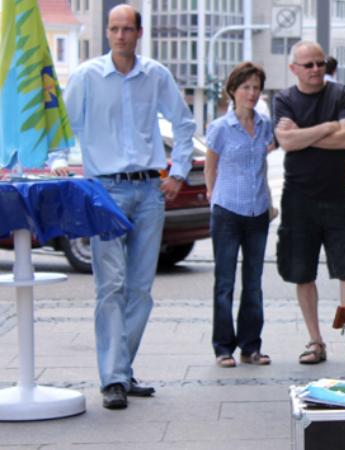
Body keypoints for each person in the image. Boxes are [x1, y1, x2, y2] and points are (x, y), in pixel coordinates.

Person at [53, 5, 196, 409]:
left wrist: (179, 172)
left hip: (150, 191)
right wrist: (59, 161)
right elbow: (64, 126)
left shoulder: (155, 75)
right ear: (107, 32)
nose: (119, 36)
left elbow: (184, 124)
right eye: (113, 29)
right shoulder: (86, 76)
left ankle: (120, 370)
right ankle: (114, 378)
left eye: (126, 29)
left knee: (140, 290)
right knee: (110, 287)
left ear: (139, 32)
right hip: (106, 192)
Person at [273, 41, 345, 366]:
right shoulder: (283, 99)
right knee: (302, 272)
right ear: (294, 68)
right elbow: (286, 141)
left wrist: (306, 135)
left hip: (338, 195)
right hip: (297, 198)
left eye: (320, 63)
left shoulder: (340, 93)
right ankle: (315, 341)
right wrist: (328, 129)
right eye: (307, 65)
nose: (315, 69)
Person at [204, 62, 274, 368]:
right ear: (233, 91)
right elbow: (211, 166)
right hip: (228, 211)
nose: (252, 93)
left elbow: (263, 166)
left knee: (254, 282)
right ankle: (223, 347)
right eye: (246, 87)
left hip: (258, 211)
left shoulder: (264, 125)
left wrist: (269, 201)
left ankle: (251, 346)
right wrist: (212, 198)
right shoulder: (220, 127)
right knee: (225, 283)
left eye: (256, 87)